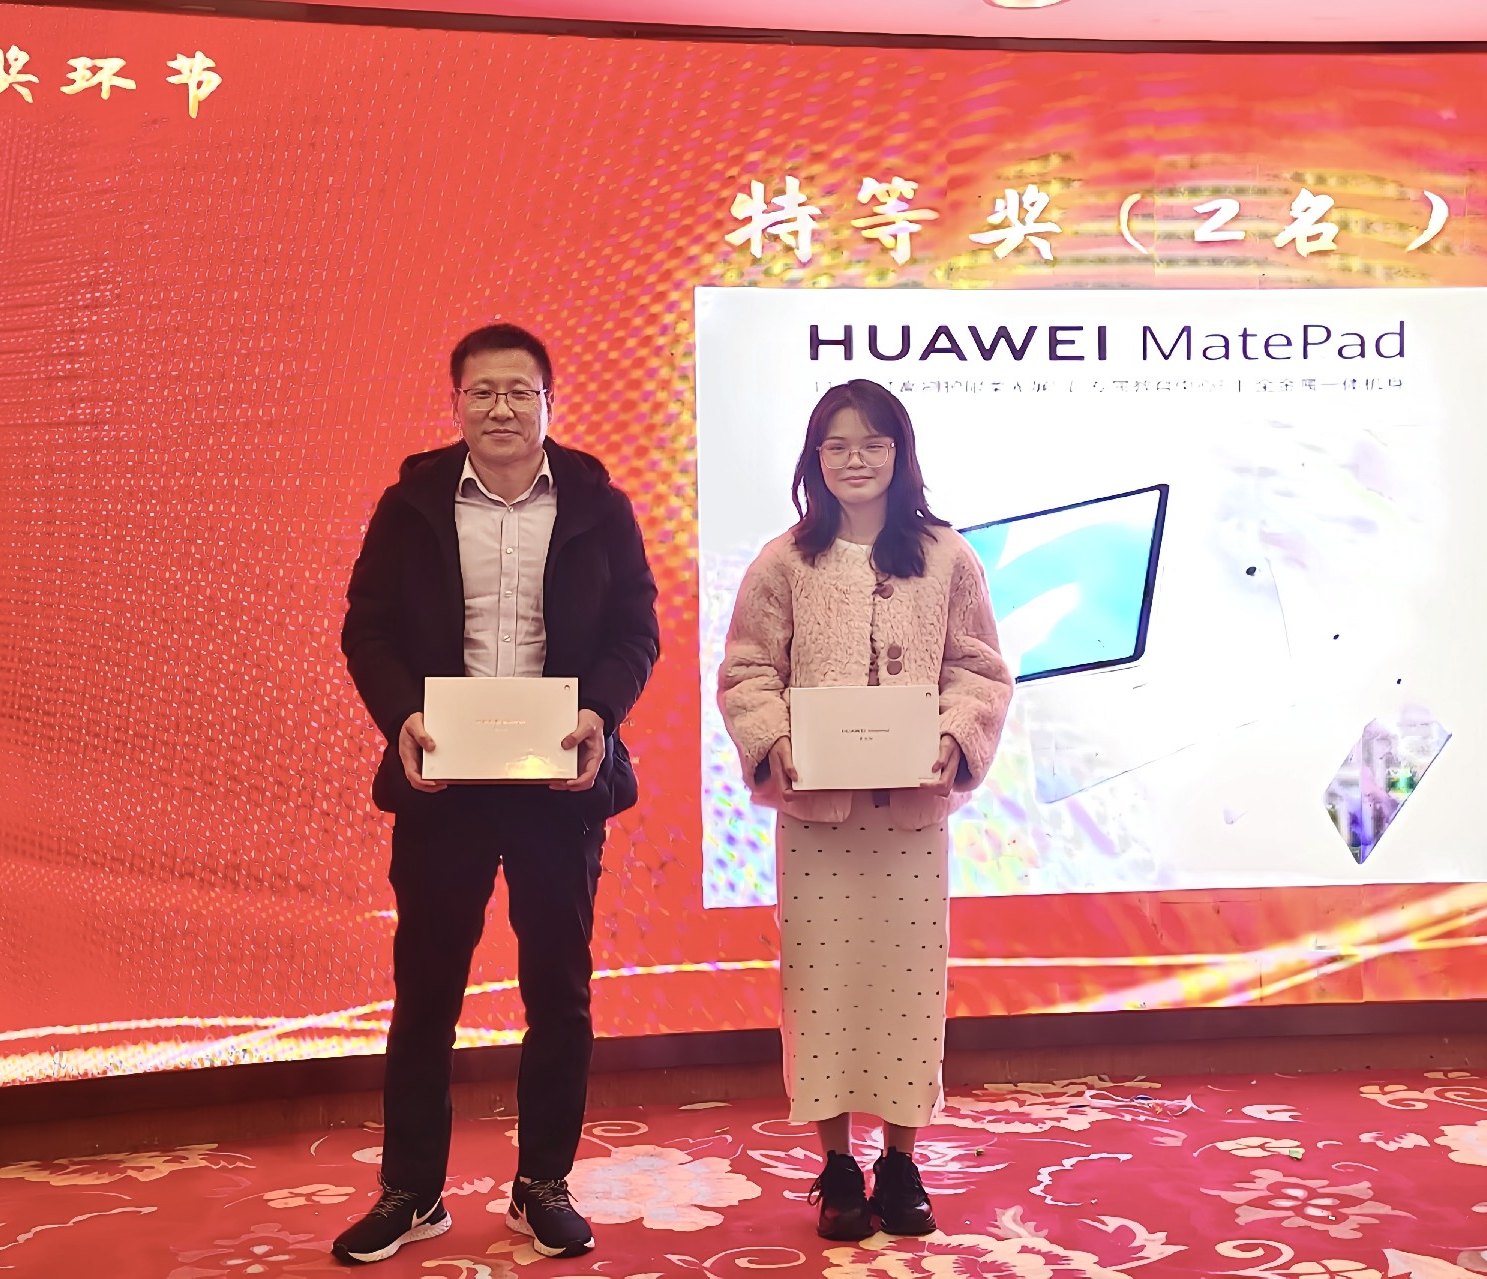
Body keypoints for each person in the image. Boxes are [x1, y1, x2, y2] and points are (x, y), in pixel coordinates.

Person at [334, 323, 659, 1264]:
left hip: (558, 780)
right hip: (446, 781)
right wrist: (401, 717)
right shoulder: (412, 504)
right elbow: (367, 628)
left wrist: (599, 713)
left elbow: (636, 629)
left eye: (520, 392)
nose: (502, 408)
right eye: (482, 392)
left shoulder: (598, 504)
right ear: (456, 404)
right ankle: (412, 1191)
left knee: (559, 991)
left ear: (550, 402)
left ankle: (542, 1183)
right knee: (426, 991)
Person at [717, 379, 1013, 1240]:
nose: (855, 459)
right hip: (819, 820)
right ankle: (839, 1164)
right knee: (821, 988)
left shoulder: (948, 557)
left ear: (900, 453)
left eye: (873, 443)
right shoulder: (783, 561)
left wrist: (956, 736)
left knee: (908, 989)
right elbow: (747, 671)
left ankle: (901, 1160)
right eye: (837, 445)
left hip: (911, 820)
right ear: (814, 458)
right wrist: (773, 740)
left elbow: (980, 668)